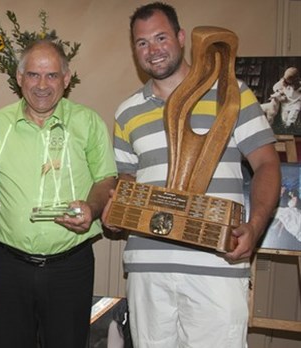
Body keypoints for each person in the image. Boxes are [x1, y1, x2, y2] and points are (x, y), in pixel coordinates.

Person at [103, 3, 281, 347]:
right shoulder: (127, 112)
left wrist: (256, 226)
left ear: (181, 38)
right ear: (134, 50)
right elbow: (128, 179)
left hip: (215, 266)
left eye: (160, 37)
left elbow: (267, 164)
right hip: (147, 270)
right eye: (142, 43)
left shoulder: (232, 94)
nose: (153, 50)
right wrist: (117, 209)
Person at [0, 39, 117, 347]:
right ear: (19, 79)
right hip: (7, 264)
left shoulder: (88, 122)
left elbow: (106, 179)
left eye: (52, 75)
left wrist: (93, 208)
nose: (42, 85)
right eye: (33, 75)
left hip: (70, 266)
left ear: (67, 79)